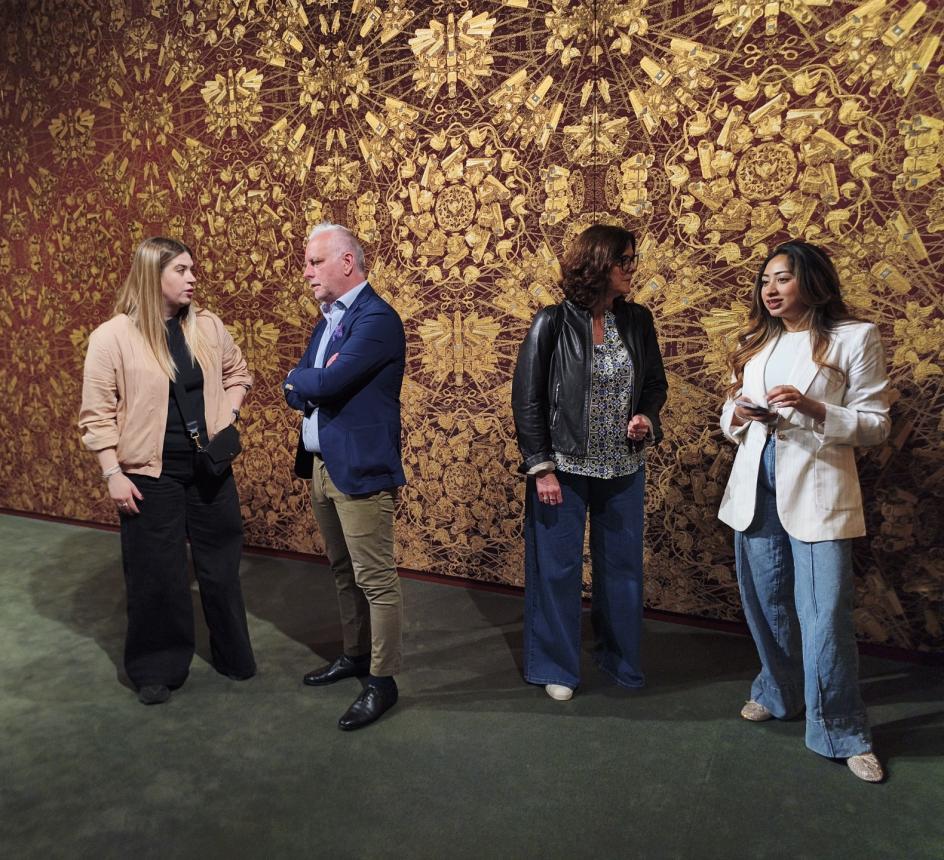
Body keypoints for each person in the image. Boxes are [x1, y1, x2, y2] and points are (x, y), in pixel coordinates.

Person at [718, 239, 891, 782]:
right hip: (756, 484)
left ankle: (840, 729)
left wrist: (816, 409)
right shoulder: (755, 341)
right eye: (765, 280)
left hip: (818, 488)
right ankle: (779, 691)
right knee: (766, 601)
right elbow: (729, 412)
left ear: (812, 281)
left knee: (824, 613)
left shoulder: (854, 337)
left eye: (783, 278)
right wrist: (739, 414)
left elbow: (877, 424)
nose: (770, 290)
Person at [79, 237, 256, 705]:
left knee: (220, 567)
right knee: (157, 574)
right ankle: (156, 668)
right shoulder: (112, 337)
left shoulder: (208, 327)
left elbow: (238, 373)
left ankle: (233, 654)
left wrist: (227, 417)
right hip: (148, 475)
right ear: (151, 274)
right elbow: (96, 415)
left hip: (210, 468)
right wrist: (112, 473)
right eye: (181, 270)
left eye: (192, 269)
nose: (192, 278)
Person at [511, 223, 668, 701]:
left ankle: (618, 657)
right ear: (598, 263)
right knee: (557, 569)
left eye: (632, 259)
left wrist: (646, 417)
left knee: (622, 568)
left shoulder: (637, 320)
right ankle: (555, 667)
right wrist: (541, 467)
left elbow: (654, 385)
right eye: (624, 260)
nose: (631, 269)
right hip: (562, 468)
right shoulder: (552, 322)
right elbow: (528, 399)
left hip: (623, 467)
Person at [284, 222, 406, 731]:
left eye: (315, 262)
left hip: (359, 469)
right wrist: (306, 380)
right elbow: (298, 387)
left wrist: (306, 380)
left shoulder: (376, 319)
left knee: (375, 579)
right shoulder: (330, 321)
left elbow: (325, 381)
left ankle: (382, 680)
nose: (306, 272)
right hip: (321, 465)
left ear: (347, 263)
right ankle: (355, 655)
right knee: (342, 571)